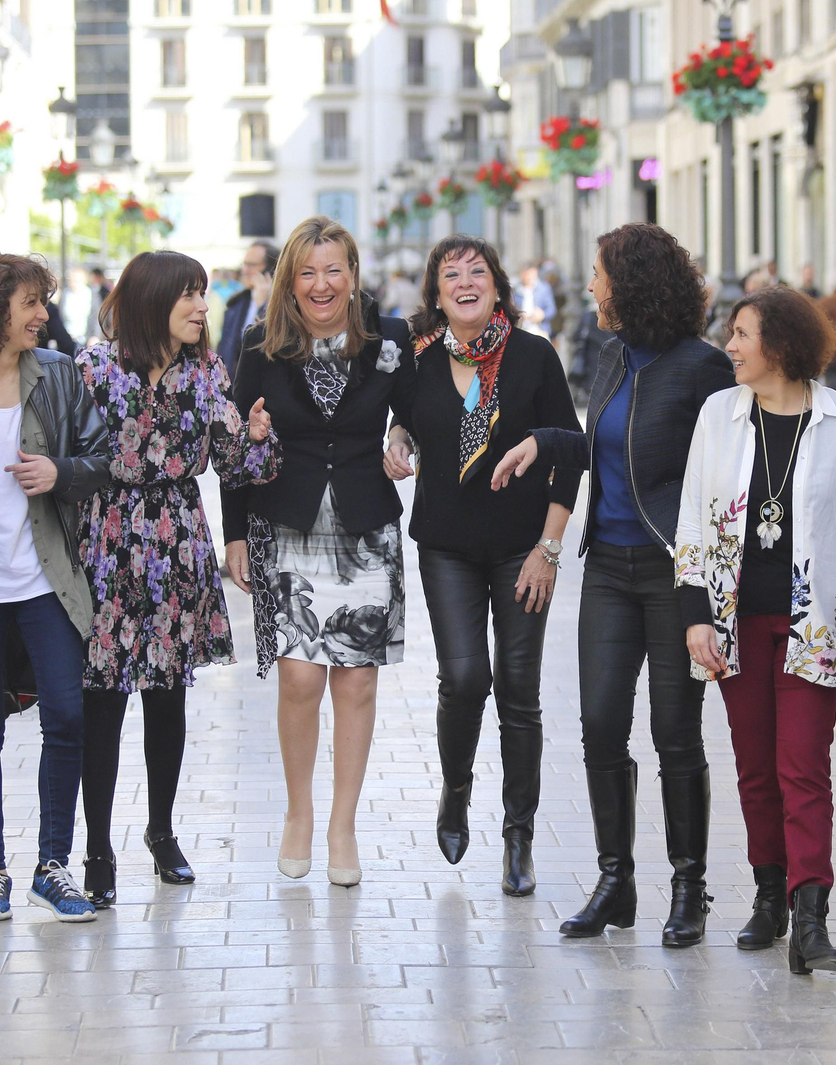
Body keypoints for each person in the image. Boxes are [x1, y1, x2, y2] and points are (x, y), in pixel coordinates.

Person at [493, 223, 736, 947]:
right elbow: (608, 442)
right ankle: (616, 882)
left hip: (672, 574)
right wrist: (548, 440)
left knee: (673, 731)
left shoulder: (702, 368)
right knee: (600, 722)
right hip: (609, 568)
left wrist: (710, 586)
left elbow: (719, 474)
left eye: (599, 274)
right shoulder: (610, 354)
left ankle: (689, 888)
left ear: (630, 283)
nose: (591, 286)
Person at [76, 250, 278, 907]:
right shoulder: (94, 367)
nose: (201, 306)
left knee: (168, 695)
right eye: (188, 294)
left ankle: (162, 833)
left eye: (204, 294)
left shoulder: (205, 371)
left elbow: (235, 465)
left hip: (177, 541)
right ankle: (97, 848)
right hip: (109, 543)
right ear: (150, 299)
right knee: (102, 700)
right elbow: (75, 455)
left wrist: (254, 438)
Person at [677, 285, 836, 975]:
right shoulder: (718, 415)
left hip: (814, 622)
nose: (729, 345)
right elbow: (693, 516)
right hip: (735, 618)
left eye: (742, 334)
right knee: (756, 766)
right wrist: (696, 612)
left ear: (780, 345)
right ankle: (769, 896)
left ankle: (811, 913)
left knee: (803, 766)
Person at [382, 235, 582, 897]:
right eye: (450, 274)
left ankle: (518, 836)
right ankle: (456, 790)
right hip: (446, 544)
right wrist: (397, 438)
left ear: (498, 286)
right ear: (437, 295)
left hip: (525, 546)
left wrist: (549, 549)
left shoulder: (533, 357)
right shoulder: (416, 363)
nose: (464, 282)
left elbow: (571, 454)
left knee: (519, 691)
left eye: (477, 272)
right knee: (466, 678)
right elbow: (405, 421)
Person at [222, 217, 413, 888]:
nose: (322, 284)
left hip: (366, 530)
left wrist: (405, 436)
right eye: (308, 272)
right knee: (300, 679)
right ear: (289, 282)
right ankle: (299, 814)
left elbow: (416, 409)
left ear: (354, 275)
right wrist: (236, 533)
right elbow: (236, 450)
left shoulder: (390, 341)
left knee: (356, 681)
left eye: (334, 270)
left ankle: (343, 825)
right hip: (289, 525)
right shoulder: (259, 348)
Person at [0, 253, 113, 923]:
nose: (43, 314)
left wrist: (59, 472)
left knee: (66, 716)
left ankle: (53, 865)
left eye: (44, 301)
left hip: (48, 581)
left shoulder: (59, 375)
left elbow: (103, 460)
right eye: (31, 302)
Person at [218, 241, 278, 379]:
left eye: (251, 265)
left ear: (270, 269)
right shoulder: (235, 305)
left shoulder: (281, 305)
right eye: (244, 264)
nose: (245, 270)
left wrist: (264, 306)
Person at [58, 266, 101, 348]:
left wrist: (95, 336)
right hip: (67, 340)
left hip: (86, 340)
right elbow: (60, 316)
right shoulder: (65, 294)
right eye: (71, 280)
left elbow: (97, 317)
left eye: (77, 281)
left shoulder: (92, 295)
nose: (74, 283)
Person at [517, 263, 556, 340]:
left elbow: (552, 309)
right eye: (527, 274)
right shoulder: (515, 290)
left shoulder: (544, 289)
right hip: (521, 329)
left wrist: (542, 315)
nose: (529, 277)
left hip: (539, 329)